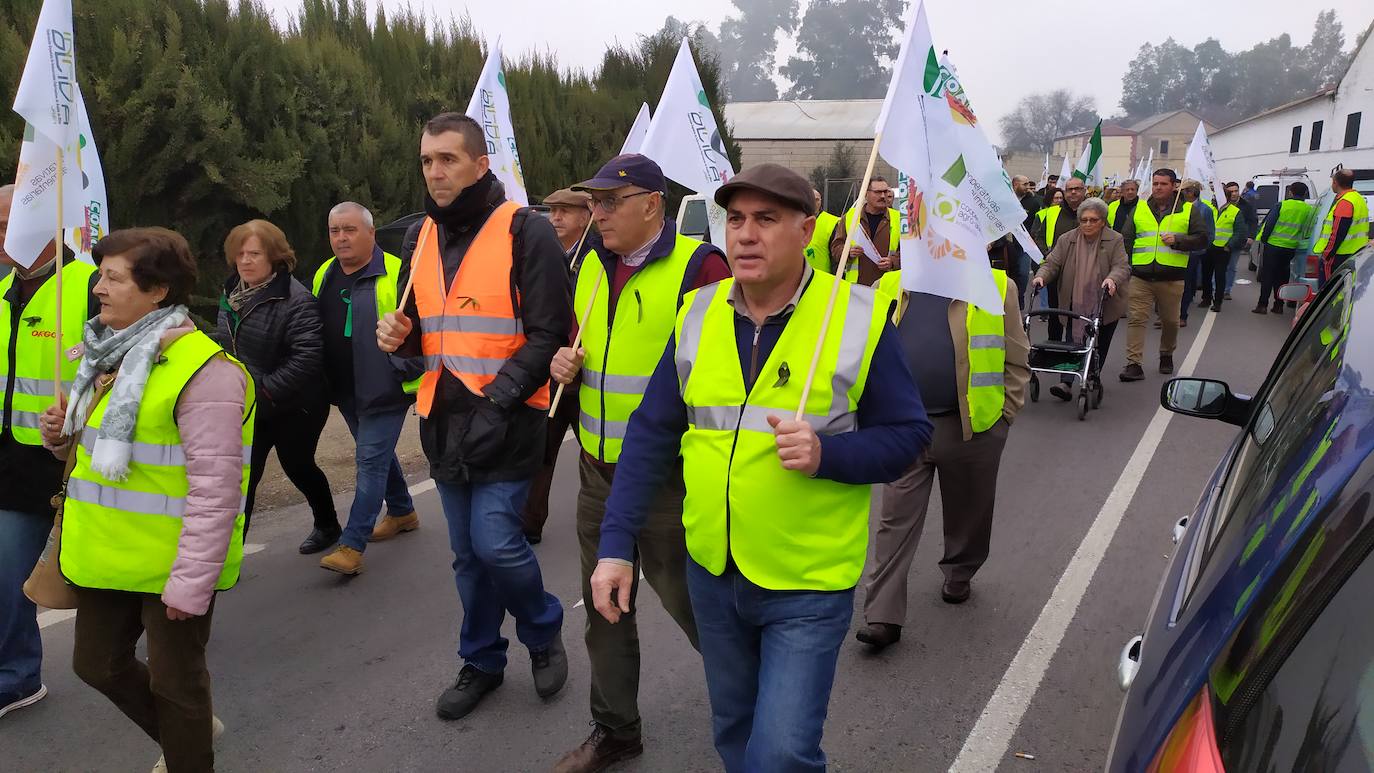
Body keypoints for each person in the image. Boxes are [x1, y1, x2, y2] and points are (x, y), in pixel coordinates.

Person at [588, 163, 931, 772]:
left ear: (807, 229)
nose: (745, 234)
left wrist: (828, 455)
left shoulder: (856, 316)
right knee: (735, 733)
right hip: (713, 572)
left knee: (781, 753)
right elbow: (651, 433)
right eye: (736, 219)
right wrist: (615, 546)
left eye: (766, 219)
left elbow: (909, 435)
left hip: (807, 581)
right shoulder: (696, 313)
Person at [376, 112, 571, 719]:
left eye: (448, 159)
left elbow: (547, 333)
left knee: (497, 545)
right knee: (467, 555)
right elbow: (424, 334)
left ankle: (542, 630)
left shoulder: (526, 230)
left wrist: (499, 400)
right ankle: (482, 659)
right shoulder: (419, 237)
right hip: (442, 416)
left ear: (480, 164)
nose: (434, 172)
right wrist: (400, 338)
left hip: (508, 417)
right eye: (426, 160)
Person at [39, 228, 252, 773]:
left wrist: (191, 581)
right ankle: (190, 737)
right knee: (96, 665)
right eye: (100, 276)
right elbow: (98, 454)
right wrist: (62, 436)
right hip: (106, 553)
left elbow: (217, 489)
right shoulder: (105, 354)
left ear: (158, 291)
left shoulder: (205, 371)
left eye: (113, 278)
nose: (99, 289)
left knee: (176, 684)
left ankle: (188, 755)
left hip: (171, 562)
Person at [548, 154, 731, 772]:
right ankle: (616, 730)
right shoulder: (590, 268)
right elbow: (582, 347)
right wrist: (562, 366)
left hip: (667, 480)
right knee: (604, 608)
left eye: (609, 203)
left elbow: (726, 371)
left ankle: (762, 708)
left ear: (652, 204)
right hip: (597, 473)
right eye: (594, 203)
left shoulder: (701, 268)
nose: (596, 214)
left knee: (694, 606)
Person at [856, 241, 1030, 651]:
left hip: (971, 429)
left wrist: (1004, 416)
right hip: (905, 429)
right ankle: (882, 615)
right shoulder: (890, 285)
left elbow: (1017, 358)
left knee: (969, 512)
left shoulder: (997, 286)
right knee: (894, 521)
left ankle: (960, 570)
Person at [0, 184, 99, 721]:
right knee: (7, 574)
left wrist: (78, 413)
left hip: (66, 462)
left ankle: (163, 640)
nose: (0, 237)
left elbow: (125, 368)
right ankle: (16, 674)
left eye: (5, 224)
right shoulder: (2, 290)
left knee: (97, 579)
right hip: (9, 464)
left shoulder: (90, 285)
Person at [312, 202, 425, 573]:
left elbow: (421, 330)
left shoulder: (396, 273)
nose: (341, 238)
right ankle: (403, 512)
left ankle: (351, 545)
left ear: (371, 233)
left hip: (385, 389)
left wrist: (403, 372)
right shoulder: (325, 272)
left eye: (350, 230)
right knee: (375, 455)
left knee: (370, 462)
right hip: (345, 389)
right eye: (335, 231)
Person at [213, 220, 334, 549]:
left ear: (274, 257)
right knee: (245, 478)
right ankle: (231, 555)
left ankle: (328, 525)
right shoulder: (232, 293)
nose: (245, 261)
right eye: (240, 254)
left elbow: (307, 357)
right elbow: (228, 342)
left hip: (297, 405)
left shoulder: (296, 299)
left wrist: (264, 390)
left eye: (255, 254)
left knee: (298, 466)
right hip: (251, 404)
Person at [522, 187, 596, 545]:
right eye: (552, 211)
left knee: (595, 453)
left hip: (588, 374)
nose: (555, 218)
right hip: (551, 372)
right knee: (540, 453)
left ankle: (609, 521)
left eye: (565, 211)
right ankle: (529, 524)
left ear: (586, 216)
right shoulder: (545, 254)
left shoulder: (598, 257)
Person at [1030, 197, 1130, 400]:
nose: (1088, 224)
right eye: (1084, 220)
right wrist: (1041, 276)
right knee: (1072, 342)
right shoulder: (1067, 239)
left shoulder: (1115, 239)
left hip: (1105, 302)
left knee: (1099, 344)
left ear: (1103, 221)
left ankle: (1093, 376)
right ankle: (1066, 382)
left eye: (1093, 220)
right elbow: (1052, 264)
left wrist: (1112, 279)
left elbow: (1121, 266)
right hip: (1074, 302)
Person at [1118, 169, 1209, 381]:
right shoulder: (1140, 208)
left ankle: (1166, 354)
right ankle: (1133, 364)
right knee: (1136, 320)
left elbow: (1203, 239)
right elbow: (1126, 238)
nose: (1158, 187)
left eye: (1163, 184)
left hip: (1171, 277)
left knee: (1170, 322)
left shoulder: (1188, 210)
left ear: (1174, 186)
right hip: (1141, 276)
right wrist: (1128, 265)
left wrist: (1179, 240)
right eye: (1155, 183)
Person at [1034, 177, 1087, 341]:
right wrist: (1047, 254)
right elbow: (1039, 236)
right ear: (1064, 192)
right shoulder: (1052, 213)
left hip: (1084, 275)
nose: (1073, 192)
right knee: (1055, 316)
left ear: (1084, 191)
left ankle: (1075, 350)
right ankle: (1054, 349)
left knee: (1078, 319)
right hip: (1057, 274)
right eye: (1070, 189)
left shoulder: (1093, 212)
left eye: (1077, 189)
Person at [1254, 183, 1315, 314]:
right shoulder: (1309, 210)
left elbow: (1269, 224)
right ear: (1305, 194)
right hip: (1291, 247)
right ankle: (1279, 305)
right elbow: (1308, 230)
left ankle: (1262, 305)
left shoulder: (1281, 205)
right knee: (1282, 276)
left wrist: (1264, 239)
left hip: (1273, 245)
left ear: (1290, 192)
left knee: (1268, 275)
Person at [829, 176, 900, 286]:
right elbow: (836, 247)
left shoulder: (898, 219)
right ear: (866, 194)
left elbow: (909, 252)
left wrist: (892, 261)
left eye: (885, 192)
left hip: (886, 286)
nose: (883, 196)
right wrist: (848, 252)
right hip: (856, 287)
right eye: (877, 192)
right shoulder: (850, 217)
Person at [1198, 183, 1251, 312]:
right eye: (1215, 197)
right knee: (1206, 275)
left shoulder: (1235, 211)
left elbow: (1240, 232)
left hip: (1223, 249)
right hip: (1208, 247)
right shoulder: (1209, 208)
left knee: (1220, 276)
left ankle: (1218, 302)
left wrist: (1229, 245)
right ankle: (1206, 298)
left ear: (1225, 198)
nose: (1215, 199)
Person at [1315, 168, 1370, 280]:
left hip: (1339, 255)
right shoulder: (1358, 198)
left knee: (1329, 287)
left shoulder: (1345, 202)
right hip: (1357, 253)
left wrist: (1327, 255)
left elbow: (1338, 233)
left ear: (1335, 182)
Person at [1177, 180, 1213, 328]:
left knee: (1185, 284)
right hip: (1173, 250)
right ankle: (1165, 314)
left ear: (1192, 192)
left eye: (1183, 191)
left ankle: (1182, 315)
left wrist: (1201, 248)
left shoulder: (1205, 210)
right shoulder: (1176, 207)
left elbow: (1209, 233)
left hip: (1192, 252)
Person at [803, 189, 840, 275]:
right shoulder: (795, 220)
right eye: (811, 199)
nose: (814, 203)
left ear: (821, 201)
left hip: (823, 277)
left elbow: (835, 256)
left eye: (817, 200)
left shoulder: (831, 222)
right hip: (798, 277)